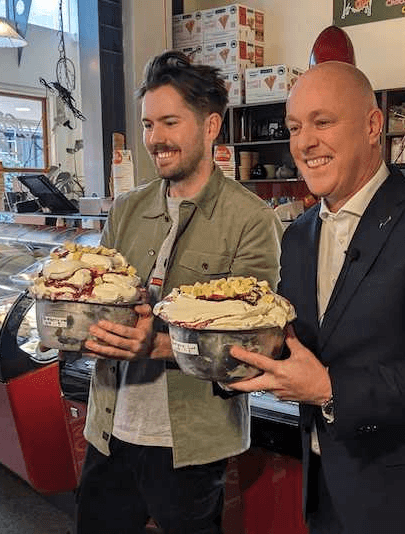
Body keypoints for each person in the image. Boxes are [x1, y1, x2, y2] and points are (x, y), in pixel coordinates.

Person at [228, 61, 405, 533]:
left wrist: (330, 389)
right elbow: (300, 346)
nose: (304, 142)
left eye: (322, 122)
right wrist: (211, 345)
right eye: (294, 127)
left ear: (373, 126)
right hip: (329, 496)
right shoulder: (298, 236)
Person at [75, 50, 282, 534]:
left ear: (211, 127)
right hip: (109, 426)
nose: (155, 139)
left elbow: (252, 345)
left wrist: (158, 343)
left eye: (169, 122)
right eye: (148, 124)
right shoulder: (125, 209)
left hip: (190, 439)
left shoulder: (252, 221)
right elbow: (97, 298)